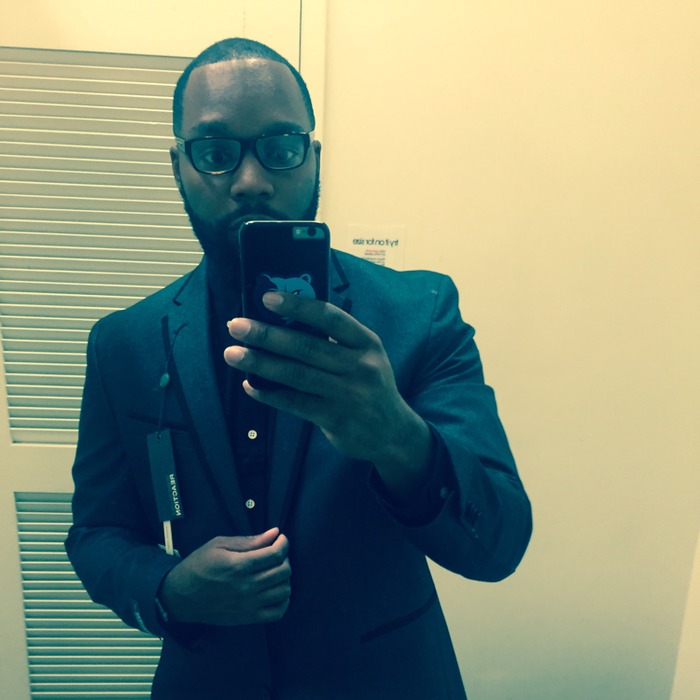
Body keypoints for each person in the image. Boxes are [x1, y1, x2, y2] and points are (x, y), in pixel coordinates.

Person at [65, 37, 532, 699]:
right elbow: (97, 533)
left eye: (281, 146)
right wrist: (169, 588)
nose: (252, 181)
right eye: (216, 151)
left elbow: (500, 543)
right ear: (178, 167)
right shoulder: (123, 344)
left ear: (313, 157)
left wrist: (399, 438)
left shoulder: (419, 314)